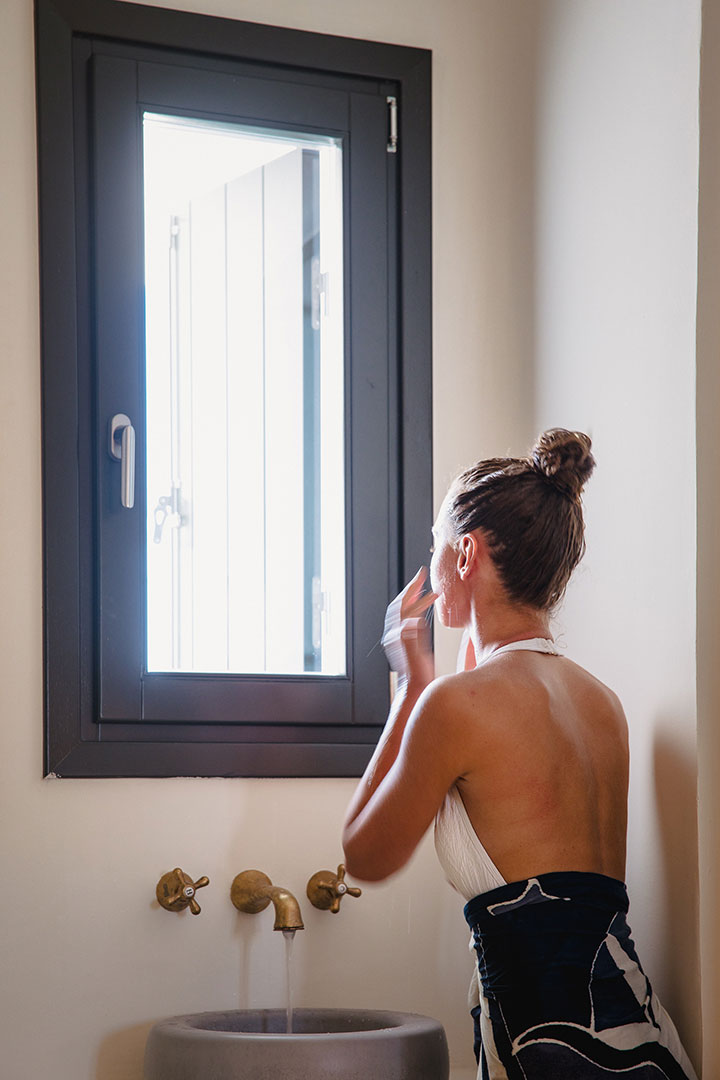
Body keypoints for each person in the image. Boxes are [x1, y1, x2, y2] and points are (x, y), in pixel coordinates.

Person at [342, 429, 697, 1080]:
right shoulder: (603, 704)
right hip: (644, 1044)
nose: (430, 563)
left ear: (467, 553)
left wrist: (410, 687)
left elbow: (362, 853)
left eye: (435, 545)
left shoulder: (452, 705)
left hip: (546, 1051)